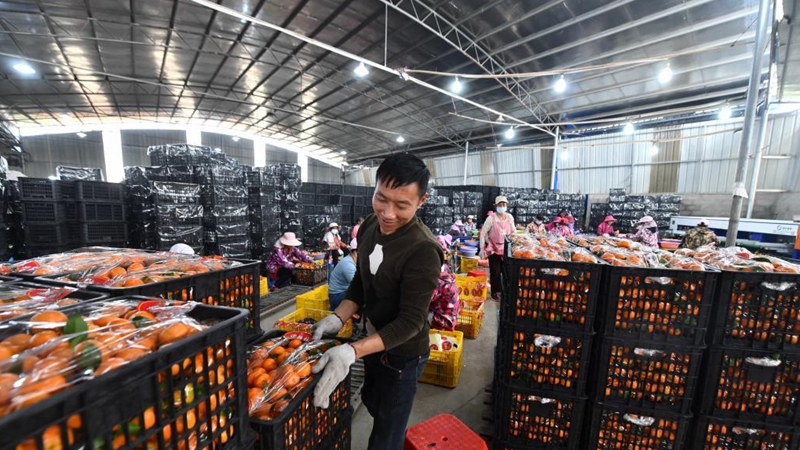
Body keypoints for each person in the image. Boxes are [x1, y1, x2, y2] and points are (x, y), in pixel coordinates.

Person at [309, 152, 443, 450]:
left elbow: (411, 321)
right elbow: (361, 281)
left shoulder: (422, 250)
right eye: (381, 198)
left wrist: (352, 351)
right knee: (373, 403)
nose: (388, 213)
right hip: (372, 341)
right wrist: (339, 316)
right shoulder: (370, 226)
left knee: (386, 432)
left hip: (403, 355)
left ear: (421, 202)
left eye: (402, 205)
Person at [480, 195, 515, 301]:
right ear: (496, 206)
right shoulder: (491, 218)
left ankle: (504, 291)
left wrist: (515, 242)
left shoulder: (509, 217)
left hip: (506, 250)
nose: (502, 206)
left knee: (506, 271)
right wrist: (482, 248)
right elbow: (483, 233)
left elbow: (513, 231)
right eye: (500, 204)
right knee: (495, 272)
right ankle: (495, 292)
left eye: (504, 204)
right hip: (493, 249)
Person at [328, 239, 358, 310]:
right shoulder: (348, 264)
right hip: (336, 296)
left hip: (343, 292)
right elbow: (357, 284)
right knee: (360, 292)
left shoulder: (355, 260)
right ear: (356, 252)